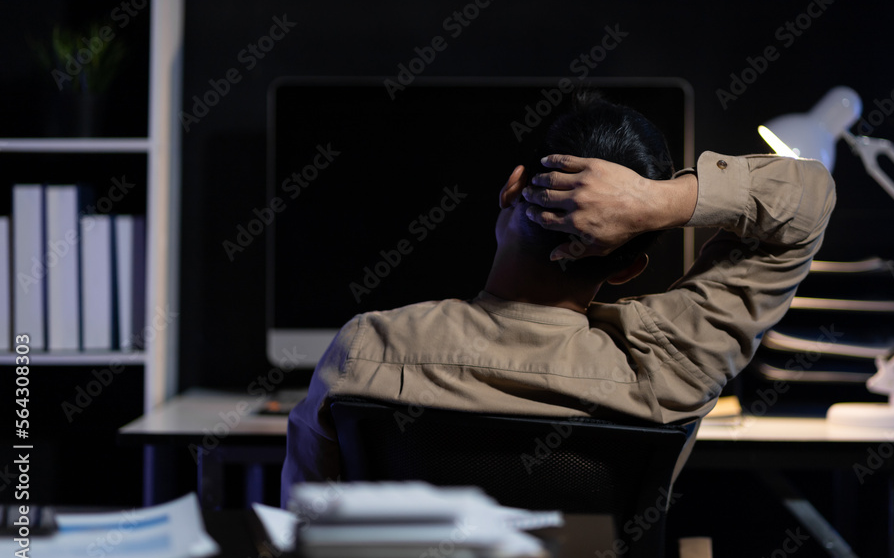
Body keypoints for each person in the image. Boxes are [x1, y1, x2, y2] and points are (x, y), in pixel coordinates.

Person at [281, 91, 836, 507]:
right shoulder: (671, 367)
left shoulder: (366, 350)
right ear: (630, 269)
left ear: (511, 187)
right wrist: (659, 201)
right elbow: (810, 198)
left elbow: (305, 527)